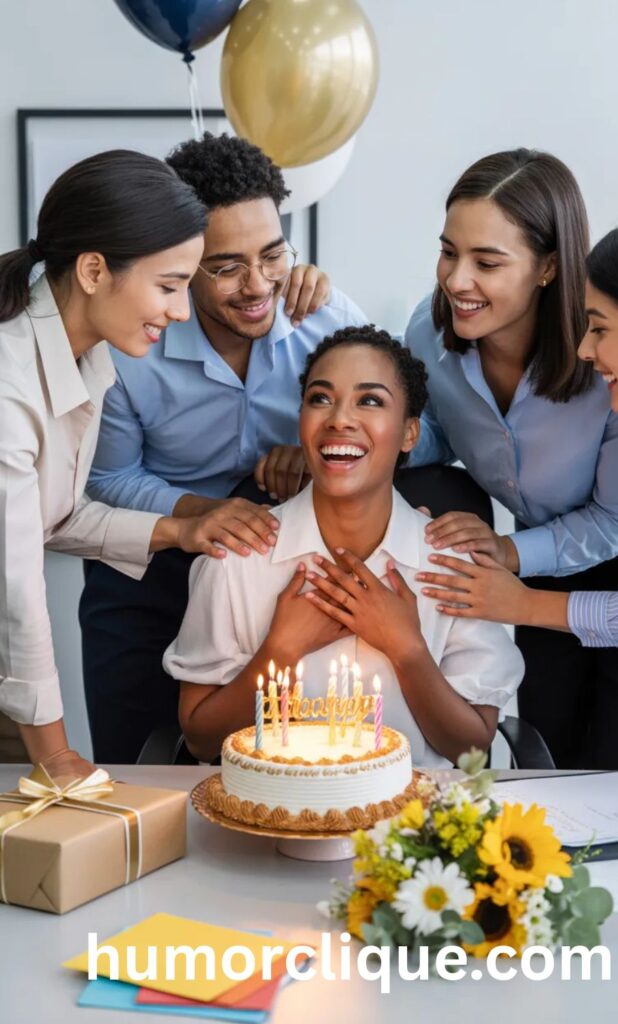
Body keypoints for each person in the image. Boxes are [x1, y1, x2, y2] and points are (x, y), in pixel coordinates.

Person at [79, 133, 367, 763]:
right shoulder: (133, 348)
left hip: (276, 555)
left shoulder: (323, 316)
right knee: (140, 764)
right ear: (183, 261)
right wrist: (195, 516)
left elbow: (399, 432)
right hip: (158, 558)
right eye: (227, 266)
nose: (258, 284)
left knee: (267, 759)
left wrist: (315, 458)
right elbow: (110, 480)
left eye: (272, 255)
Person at [406, 148, 618, 769]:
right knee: (550, 769)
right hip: (540, 568)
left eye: (487, 261)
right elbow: (439, 436)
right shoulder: (428, 335)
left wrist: (507, 561)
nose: (455, 281)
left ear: (548, 267)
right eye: (449, 252)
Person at [0, 150, 274, 775]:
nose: (182, 311)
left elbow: (56, 516)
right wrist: (58, 755)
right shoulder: (8, 379)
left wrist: (182, 529)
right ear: (95, 270)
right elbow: (16, 586)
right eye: (170, 285)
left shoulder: (89, 355)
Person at [163, 327, 524, 768]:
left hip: (413, 826)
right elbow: (200, 741)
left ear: (410, 433)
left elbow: (470, 749)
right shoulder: (237, 559)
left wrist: (406, 648)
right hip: (273, 819)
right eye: (320, 398)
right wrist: (282, 649)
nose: (339, 419)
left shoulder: (453, 565)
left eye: (369, 401)